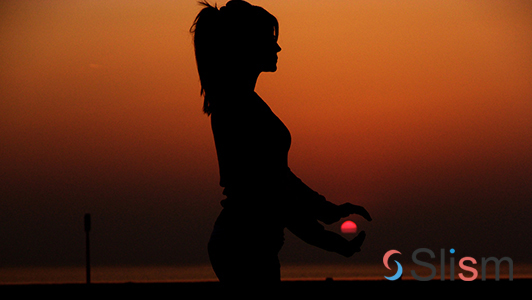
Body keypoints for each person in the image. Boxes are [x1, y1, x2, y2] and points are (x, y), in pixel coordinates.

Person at [190, 0, 372, 286]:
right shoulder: (239, 108)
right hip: (244, 245)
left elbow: (280, 179)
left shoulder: (244, 104)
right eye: (270, 40)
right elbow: (270, 195)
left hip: (247, 242)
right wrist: (328, 239)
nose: (277, 48)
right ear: (247, 45)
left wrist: (327, 210)